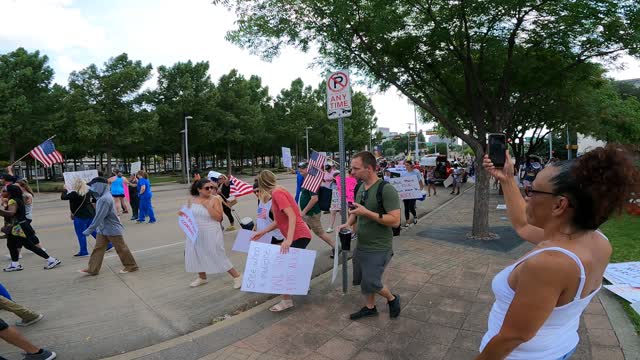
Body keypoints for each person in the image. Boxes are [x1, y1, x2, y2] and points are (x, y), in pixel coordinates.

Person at [478, 145, 639, 360]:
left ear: (559, 205)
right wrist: (507, 179)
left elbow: (512, 337)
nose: (527, 197)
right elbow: (523, 226)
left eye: (532, 191)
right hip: (560, 345)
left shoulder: (550, 264)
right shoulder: (598, 241)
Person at [338, 151, 402, 320]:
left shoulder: (386, 190)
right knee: (363, 280)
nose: (351, 172)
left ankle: (392, 298)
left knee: (372, 282)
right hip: (362, 244)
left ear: (370, 168)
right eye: (351, 168)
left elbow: (395, 221)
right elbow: (356, 210)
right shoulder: (359, 186)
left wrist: (368, 213)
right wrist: (348, 223)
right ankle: (370, 307)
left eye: (355, 168)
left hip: (379, 246)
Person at [251, 170, 312, 312]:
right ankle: (302, 284)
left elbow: (292, 216)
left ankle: (286, 300)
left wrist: (288, 239)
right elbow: (279, 221)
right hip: (299, 234)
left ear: (262, 184)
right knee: (290, 264)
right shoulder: (278, 192)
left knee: (283, 266)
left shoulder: (277, 193)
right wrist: (262, 232)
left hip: (299, 235)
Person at [184, 179, 242, 288]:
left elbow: (219, 218)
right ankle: (202, 277)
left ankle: (237, 276)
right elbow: (187, 215)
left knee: (216, 254)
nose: (210, 190)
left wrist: (208, 206)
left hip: (211, 231)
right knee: (196, 253)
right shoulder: (191, 199)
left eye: (212, 187)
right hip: (195, 231)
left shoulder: (215, 199)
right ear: (199, 189)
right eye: (207, 188)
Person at [79, 177, 138, 275]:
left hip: (112, 229)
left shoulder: (104, 199)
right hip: (103, 229)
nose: (91, 188)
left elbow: (99, 217)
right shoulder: (102, 197)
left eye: (93, 186)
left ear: (99, 186)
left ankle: (131, 266)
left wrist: (89, 230)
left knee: (121, 248)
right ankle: (92, 269)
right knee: (98, 249)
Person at [1, 185, 61, 272]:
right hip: (17, 227)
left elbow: (11, 213)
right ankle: (15, 264)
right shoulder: (18, 199)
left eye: (4, 191)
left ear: (9, 192)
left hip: (19, 228)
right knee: (11, 245)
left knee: (29, 245)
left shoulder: (12, 201)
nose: (2, 193)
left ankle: (52, 260)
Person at [61, 178, 113, 257]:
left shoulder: (74, 194)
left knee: (81, 234)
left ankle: (84, 251)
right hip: (90, 214)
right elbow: (95, 199)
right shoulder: (88, 192)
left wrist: (64, 189)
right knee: (93, 231)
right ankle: (108, 245)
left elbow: (63, 197)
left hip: (80, 216)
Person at [297, 162, 336, 256]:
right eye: (299, 168)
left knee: (320, 233)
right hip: (307, 213)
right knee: (302, 232)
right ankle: (298, 250)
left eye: (302, 168)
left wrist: (304, 211)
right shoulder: (306, 180)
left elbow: (314, 199)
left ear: (309, 169)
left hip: (311, 213)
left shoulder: (311, 181)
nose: (300, 169)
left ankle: (336, 247)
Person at [402, 161, 424, 226]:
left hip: (414, 192)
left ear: (411, 165)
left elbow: (420, 181)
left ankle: (415, 216)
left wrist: (421, 189)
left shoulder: (416, 172)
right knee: (406, 207)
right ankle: (407, 221)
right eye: (405, 165)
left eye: (407, 165)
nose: (406, 166)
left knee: (411, 206)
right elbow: (402, 184)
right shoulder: (404, 174)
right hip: (406, 192)